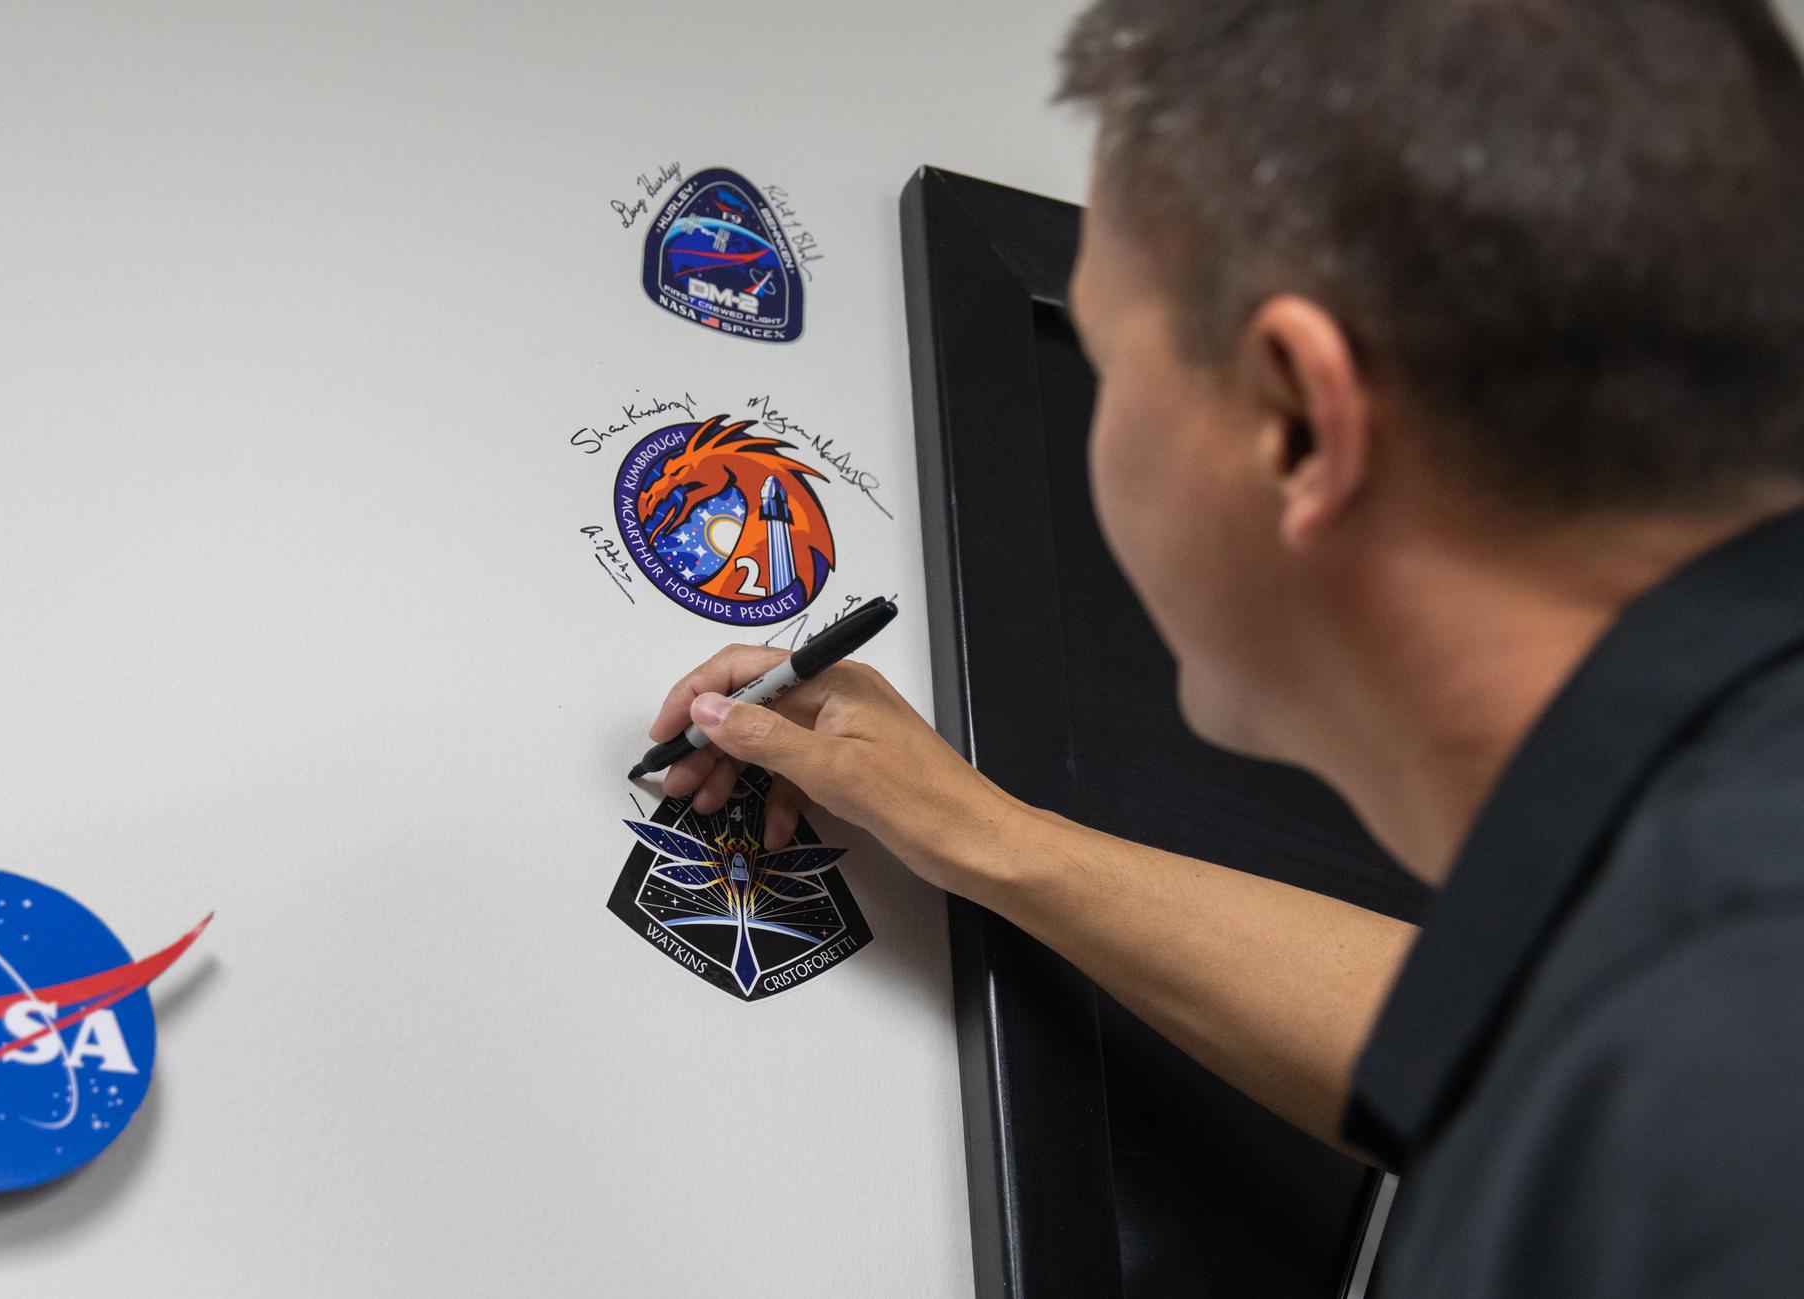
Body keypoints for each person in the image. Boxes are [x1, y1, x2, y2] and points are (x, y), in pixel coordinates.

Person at [647, 1, 1804, 1292]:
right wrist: (985, 836)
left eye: (1112, 363)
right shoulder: (1701, 930)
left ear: (1297, 423)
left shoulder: (1713, 1086)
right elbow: (1464, 1048)